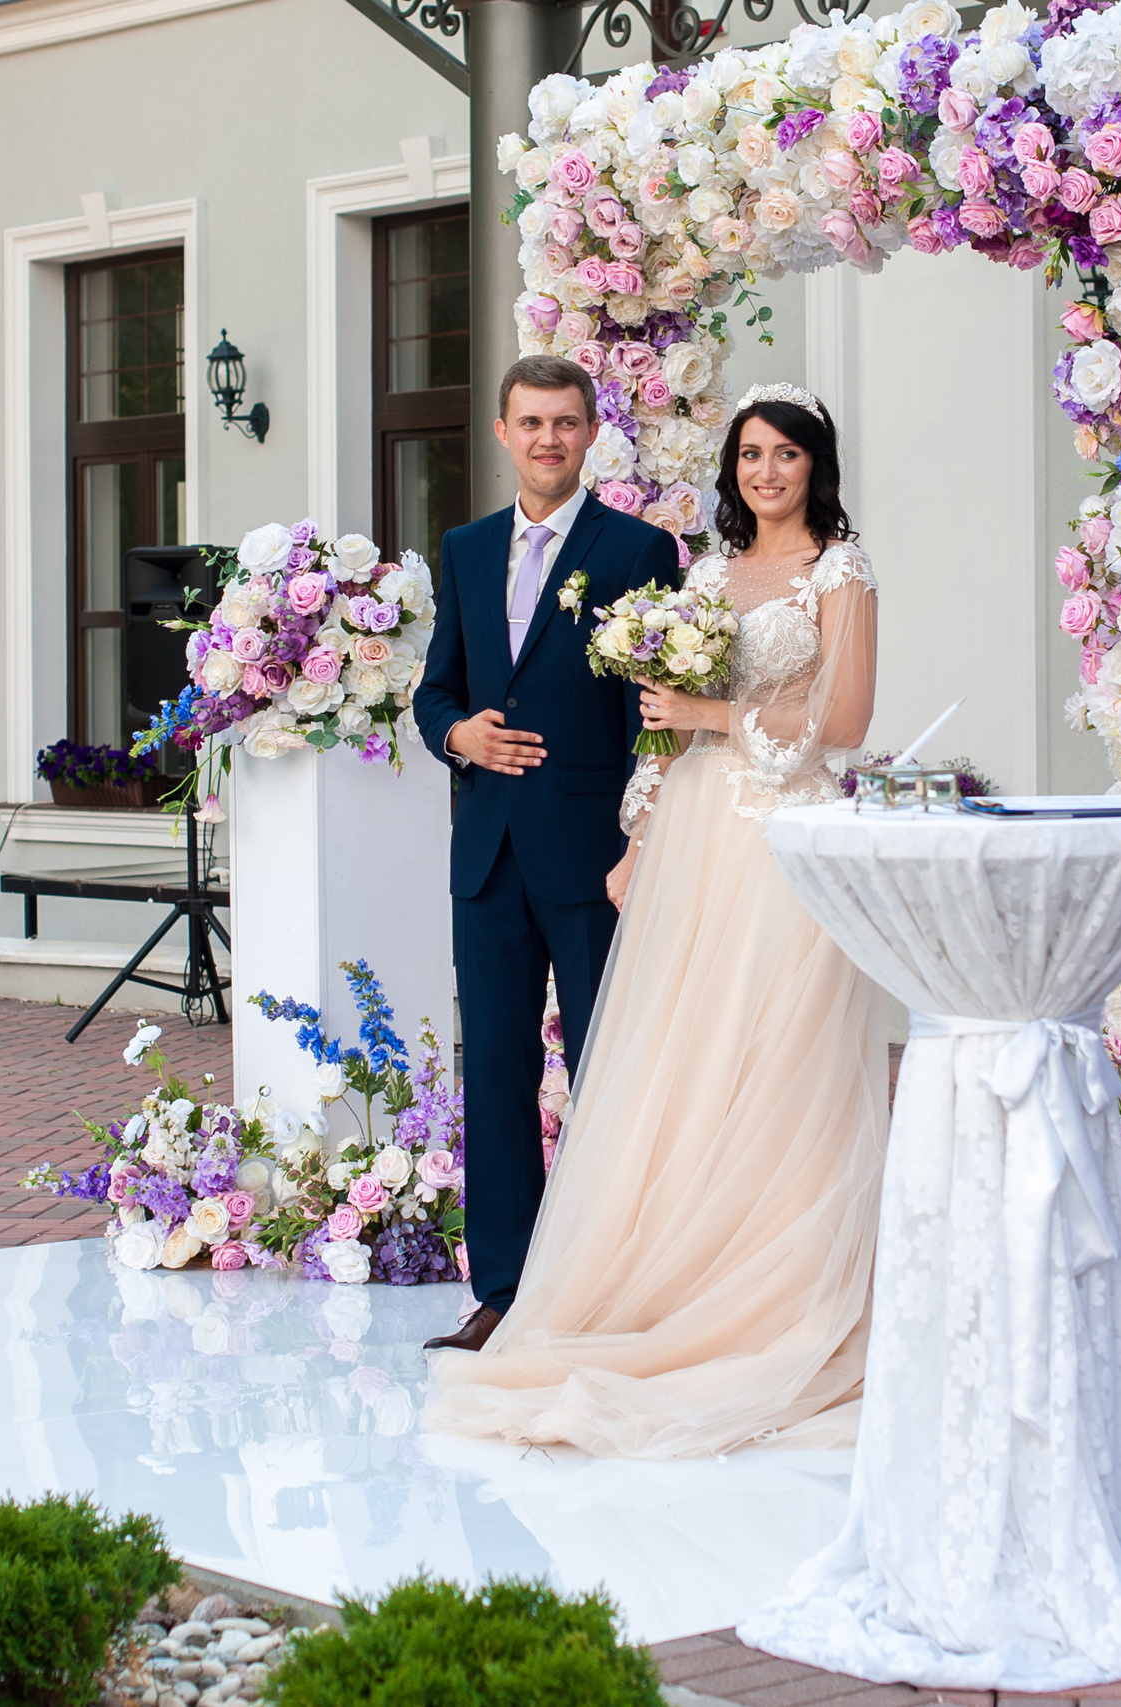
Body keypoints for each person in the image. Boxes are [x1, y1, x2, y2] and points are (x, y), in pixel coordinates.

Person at [423, 382, 889, 1458]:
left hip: (778, 840)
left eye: (785, 454)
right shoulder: (708, 572)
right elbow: (646, 731)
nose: (765, 472)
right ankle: (561, 1285)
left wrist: (703, 718)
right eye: (750, 455)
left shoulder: (812, 567)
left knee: (765, 1067)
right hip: (677, 839)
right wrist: (634, 834)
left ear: (817, 463)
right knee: (665, 1075)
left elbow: (844, 721)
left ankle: (763, 1298)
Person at [411, 354, 680, 1352]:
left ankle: (607, 1285)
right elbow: (434, 688)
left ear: (590, 433)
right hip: (486, 853)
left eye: (565, 424)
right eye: (530, 424)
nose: (547, 441)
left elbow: (653, 716)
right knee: (498, 1067)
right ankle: (505, 1293)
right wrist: (457, 735)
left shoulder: (638, 550)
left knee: (607, 1067)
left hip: (590, 852)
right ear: (501, 432)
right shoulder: (467, 548)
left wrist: (640, 841)